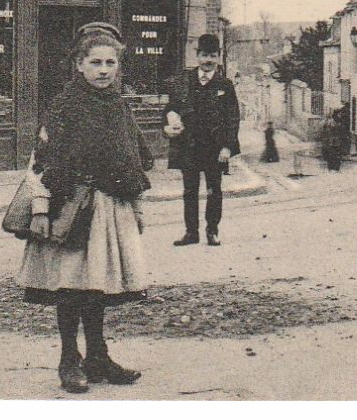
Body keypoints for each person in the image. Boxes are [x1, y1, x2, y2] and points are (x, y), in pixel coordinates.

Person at [18, 22, 151, 393]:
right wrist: (41, 209)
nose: (104, 70)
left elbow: (133, 159)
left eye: (111, 63)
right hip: (71, 206)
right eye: (95, 62)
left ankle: (97, 355)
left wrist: (137, 208)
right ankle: (68, 359)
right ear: (78, 64)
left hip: (110, 205)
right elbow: (40, 159)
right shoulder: (64, 106)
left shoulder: (120, 107)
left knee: (98, 285)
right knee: (72, 285)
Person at [162, 33, 240, 246]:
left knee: (214, 190)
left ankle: (212, 231)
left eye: (213, 56)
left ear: (219, 57)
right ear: (196, 55)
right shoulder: (183, 82)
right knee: (189, 191)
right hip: (189, 146)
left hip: (215, 149)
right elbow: (170, 109)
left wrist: (227, 147)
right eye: (204, 55)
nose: (208, 60)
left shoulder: (225, 85)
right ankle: (191, 233)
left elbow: (233, 119)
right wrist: (168, 124)